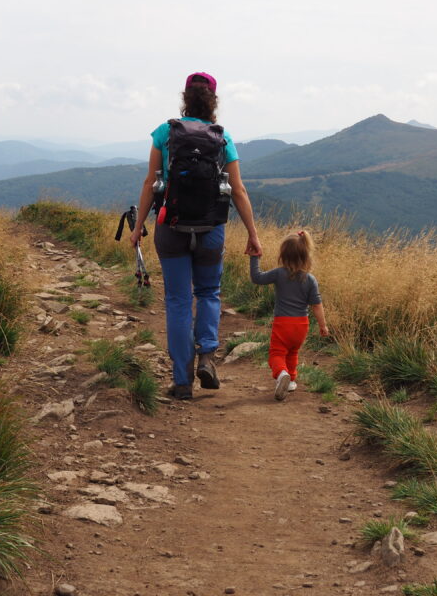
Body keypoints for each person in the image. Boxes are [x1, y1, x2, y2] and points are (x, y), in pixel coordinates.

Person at [131, 72, 262, 400]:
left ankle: (182, 381)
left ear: (185, 98)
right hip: (210, 229)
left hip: (171, 227)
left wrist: (137, 227)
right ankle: (206, 356)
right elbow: (238, 189)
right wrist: (253, 234)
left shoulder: (165, 132)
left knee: (177, 300)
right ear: (213, 100)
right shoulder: (222, 136)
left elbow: (151, 182)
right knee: (208, 292)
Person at [249, 230, 329, 401]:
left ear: (283, 255)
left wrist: (254, 257)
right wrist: (323, 325)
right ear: (306, 256)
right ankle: (291, 380)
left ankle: (281, 374)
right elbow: (316, 305)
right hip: (302, 325)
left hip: (283, 323)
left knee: (276, 355)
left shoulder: (279, 274)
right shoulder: (310, 279)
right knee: (293, 352)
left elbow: (257, 278)